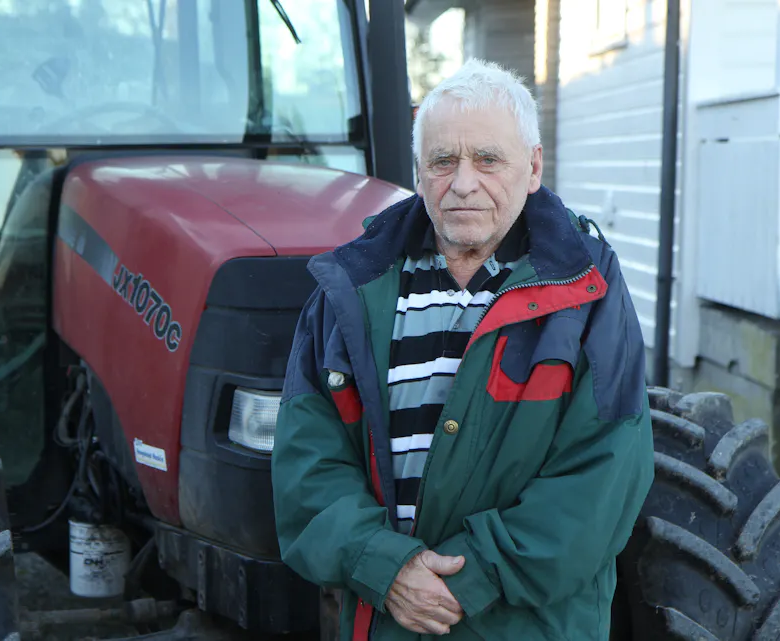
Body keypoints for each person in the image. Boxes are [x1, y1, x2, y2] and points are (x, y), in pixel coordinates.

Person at [271, 59, 655, 640]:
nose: (464, 183)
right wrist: (385, 566)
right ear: (419, 173)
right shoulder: (349, 289)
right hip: (387, 622)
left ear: (533, 167)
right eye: (443, 161)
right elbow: (307, 465)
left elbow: (603, 476)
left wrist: (469, 577)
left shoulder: (588, 290)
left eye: (488, 159)